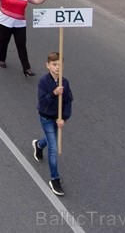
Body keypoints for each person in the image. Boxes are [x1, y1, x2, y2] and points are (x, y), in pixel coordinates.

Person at [32, 51, 73, 197]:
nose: (57, 67)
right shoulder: (44, 82)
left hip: (57, 118)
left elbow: (68, 101)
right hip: (46, 117)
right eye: (54, 64)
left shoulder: (65, 82)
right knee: (53, 147)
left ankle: (38, 145)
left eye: (60, 65)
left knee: (50, 140)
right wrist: (54, 93)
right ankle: (54, 179)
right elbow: (42, 102)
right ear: (48, 65)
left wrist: (64, 118)